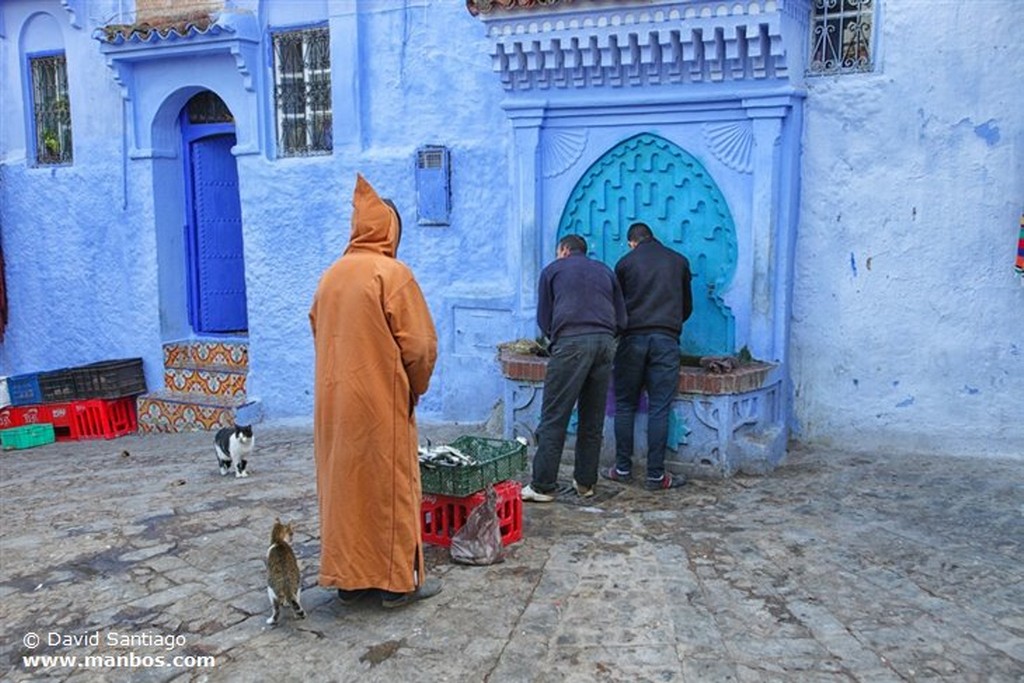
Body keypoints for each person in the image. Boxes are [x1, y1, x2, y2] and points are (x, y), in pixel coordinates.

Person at [309, 174, 441, 608]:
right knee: (391, 487)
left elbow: (319, 331)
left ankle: (350, 581)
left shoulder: (330, 277)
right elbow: (420, 347)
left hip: (334, 406)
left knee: (346, 489)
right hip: (380, 403)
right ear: (388, 230)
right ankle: (398, 583)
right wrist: (412, 390)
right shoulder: (391, 273)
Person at [521, 234, 627, 502]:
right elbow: (621, 318)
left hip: (571, 342)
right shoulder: (604, 270)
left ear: (564, 250)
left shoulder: (553, 270)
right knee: (592, 417)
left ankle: (543, 485)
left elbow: (544, 317)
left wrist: (556, 341)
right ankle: (585, 483)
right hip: (605, 343)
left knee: (555, 415)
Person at [602, 222, 693, 491]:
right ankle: (656, 475)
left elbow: (616, 307)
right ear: (652, 237)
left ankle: (622, 468)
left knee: (625, 405)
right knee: (659, 407)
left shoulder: (625, 264)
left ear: (632, 242)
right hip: (666, 340)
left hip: (631, 340)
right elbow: (687, 306)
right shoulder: (679, 261)